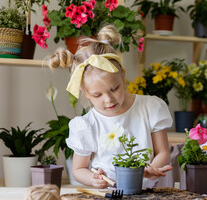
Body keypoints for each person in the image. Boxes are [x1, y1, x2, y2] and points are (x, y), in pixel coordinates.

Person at [48, 25, 173, 189]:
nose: (108, 100)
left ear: (123, 75)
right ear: (84, 92)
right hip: (108, 195)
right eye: (97, 95)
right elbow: (79, 169)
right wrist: (93, 179)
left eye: (114, 89)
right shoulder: (87, 124)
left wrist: (151, 168)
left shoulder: (150, 107)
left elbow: (163, 152)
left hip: (148, 193)